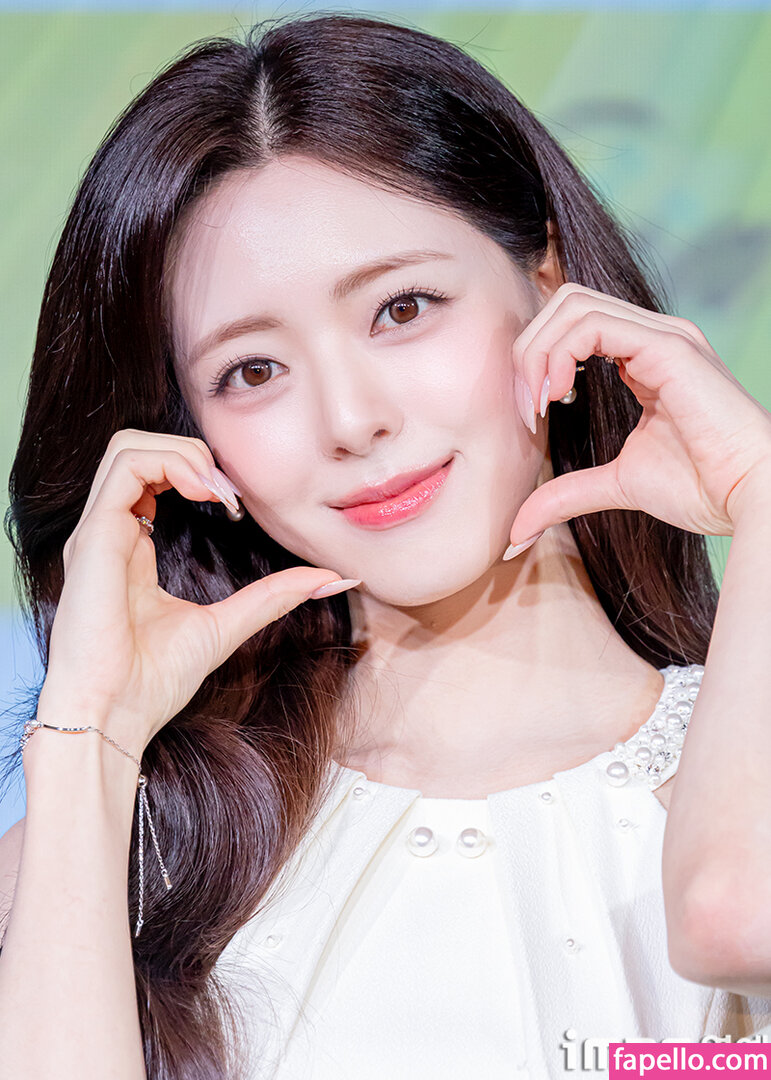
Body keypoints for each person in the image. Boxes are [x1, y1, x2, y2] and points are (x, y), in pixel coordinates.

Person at [0, 10, 770, 1079]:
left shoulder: (738, 788)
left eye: (402, 308)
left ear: (549, 283)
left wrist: (764, 493)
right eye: (252, 371)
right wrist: (90, 731)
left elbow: (736, 920)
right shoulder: (130, 845)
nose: (351, 419)